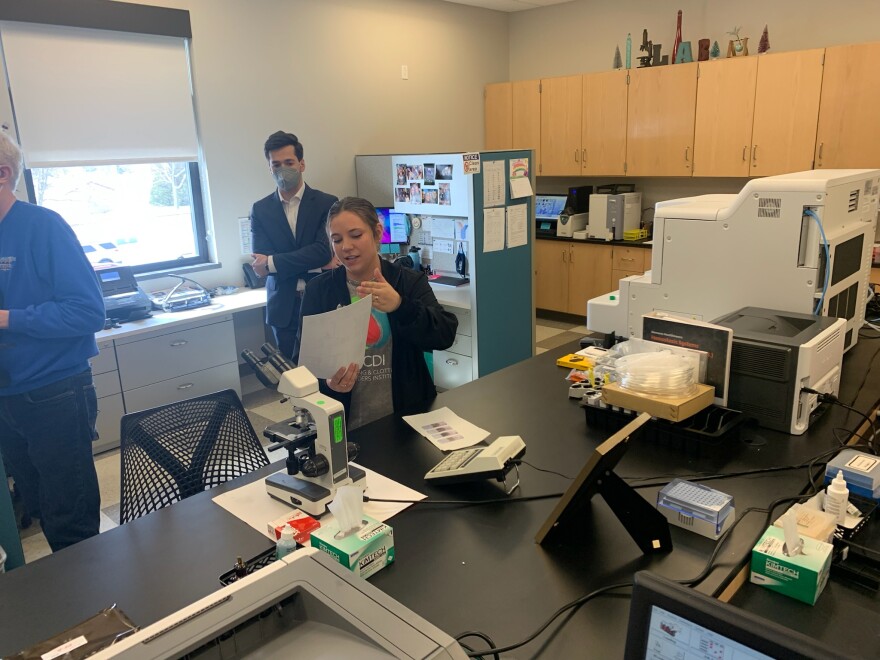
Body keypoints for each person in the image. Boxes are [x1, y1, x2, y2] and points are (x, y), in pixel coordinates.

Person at [0, 132, 106, 552]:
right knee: (41, 509)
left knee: (71, 520)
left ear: (3, 173)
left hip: (54, 394)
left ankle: (98, 612)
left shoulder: (42, 227)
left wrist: (9, 319)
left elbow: (88, 311)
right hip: (7, 396)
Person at [297, 197, 457, 428]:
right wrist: (326, 384)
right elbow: (302, 362)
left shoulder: (407, 282)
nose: (346, 247)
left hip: (407, 420)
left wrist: (400, 306)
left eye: (356, 235)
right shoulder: (319, 291)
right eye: (337, 239)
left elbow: (444, 334)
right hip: (346, 423)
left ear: (377, 233)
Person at [250, 131, 337, 359]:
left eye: (288, 162)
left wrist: (273, 263)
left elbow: (323, 250)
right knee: (293, 375)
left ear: (302, 164)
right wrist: (317, 264)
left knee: (328, 369)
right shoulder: (260, 210)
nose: (282, 169)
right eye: (276, 164)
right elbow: (261, 258)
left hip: (322, 301)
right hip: (283, 306)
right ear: (269, 168)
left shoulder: (327, 203)